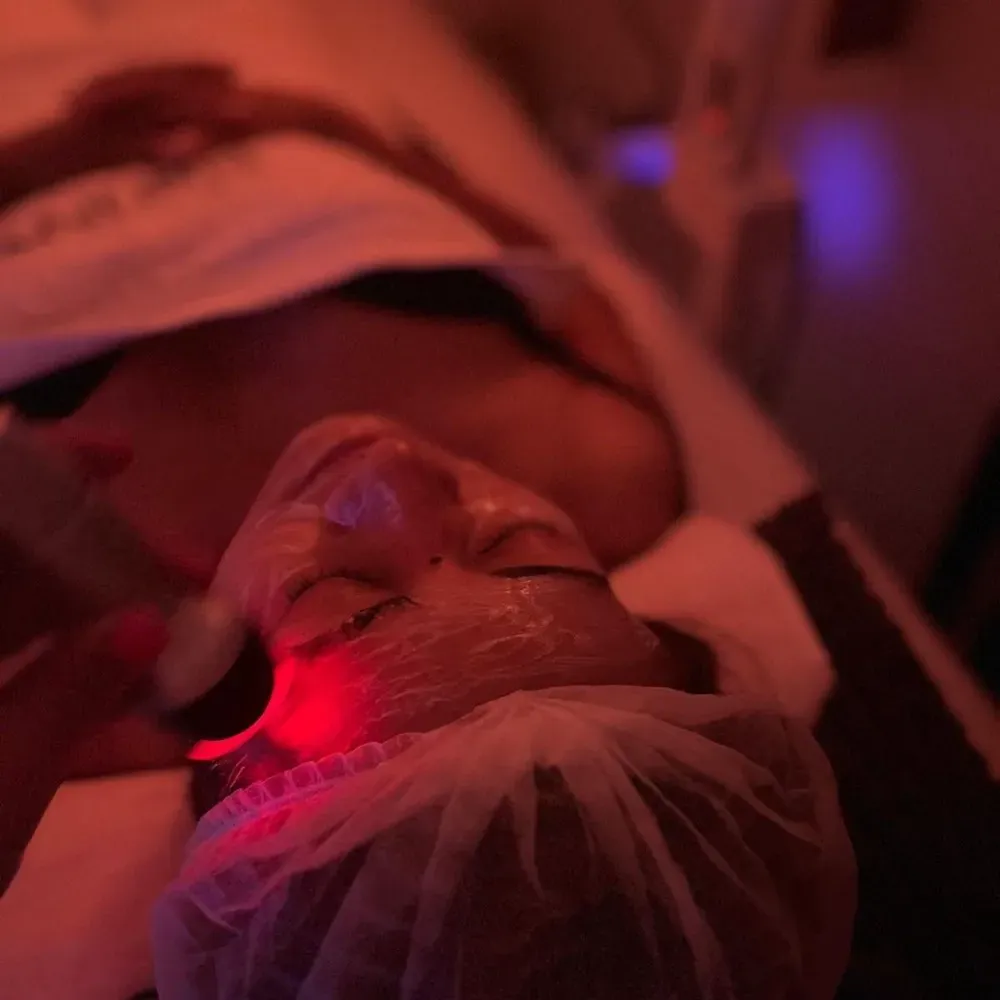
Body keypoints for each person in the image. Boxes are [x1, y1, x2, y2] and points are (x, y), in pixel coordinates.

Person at [0, 415, 856, 999]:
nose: (393, 464)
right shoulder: (613, 459)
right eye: (516, 544)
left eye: (334, 589)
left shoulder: (54, 654)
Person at [2, 61, 682, 573]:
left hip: (343, 239)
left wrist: (327, 127)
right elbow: (572, 290)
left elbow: (564, 286)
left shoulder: (614, 488)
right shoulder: (613, 489)